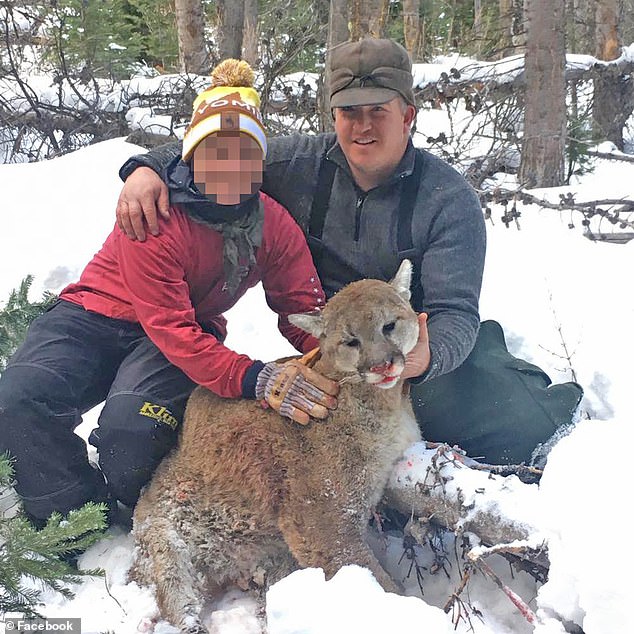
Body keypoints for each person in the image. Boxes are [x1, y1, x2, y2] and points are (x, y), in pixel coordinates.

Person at [115, 39, 508, 459]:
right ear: (333, 115)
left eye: (378, 110)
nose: (363, 127)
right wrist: (148, 168)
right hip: (336, 349)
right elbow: (217, 145)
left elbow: (457, 311)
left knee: (513, 425)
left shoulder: (448, 198)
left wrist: (430, 357)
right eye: (349, 112)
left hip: (410, 349)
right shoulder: (297, 163)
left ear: (408, 115)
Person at [0, 59, 341, 529]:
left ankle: (128, 495)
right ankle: (71, 518)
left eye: (244, 154)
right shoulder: (154, 214)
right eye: (215, 152)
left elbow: (303, 310)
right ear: (192, 156)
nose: (230, 167)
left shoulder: (273, 225)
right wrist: (253, 378)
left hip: (181, 332)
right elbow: (169, 327)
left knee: (131, 432)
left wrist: (341, 357)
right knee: (18, 399)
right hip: (94, 313)